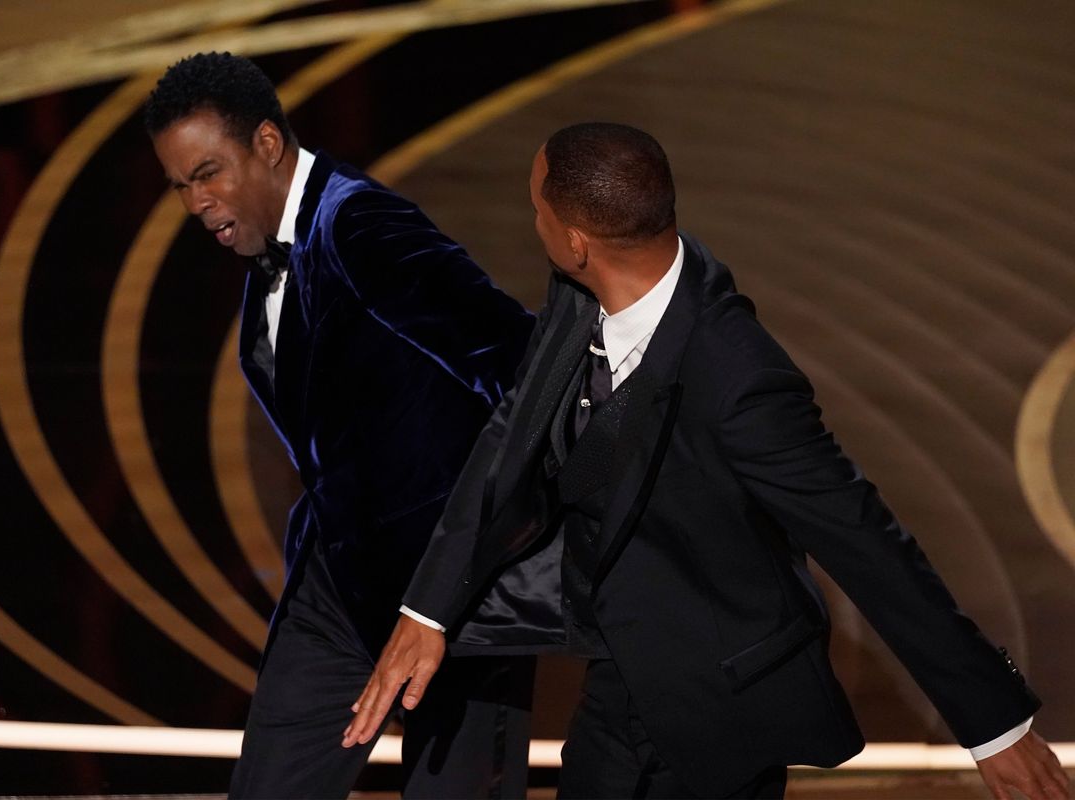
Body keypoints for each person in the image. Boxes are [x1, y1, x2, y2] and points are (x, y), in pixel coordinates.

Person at [344, 123, 1070, 799]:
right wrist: (427, 607)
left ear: (574, 241)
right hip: (619, 682)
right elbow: (517, 427)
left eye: (536, 208)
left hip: (722, 711)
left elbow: (867, 542)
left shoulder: (739, 379)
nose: (531, 222)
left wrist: (994, 725)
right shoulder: (580, 291)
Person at [144, 52, 536, 799]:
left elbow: (515, 358)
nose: (195, 203)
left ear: (265, 143)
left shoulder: (360, 222)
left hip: (450, 598)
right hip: (337, 586)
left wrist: (454, 579)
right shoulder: (271, 258)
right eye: (180, 186)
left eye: (207, 173)